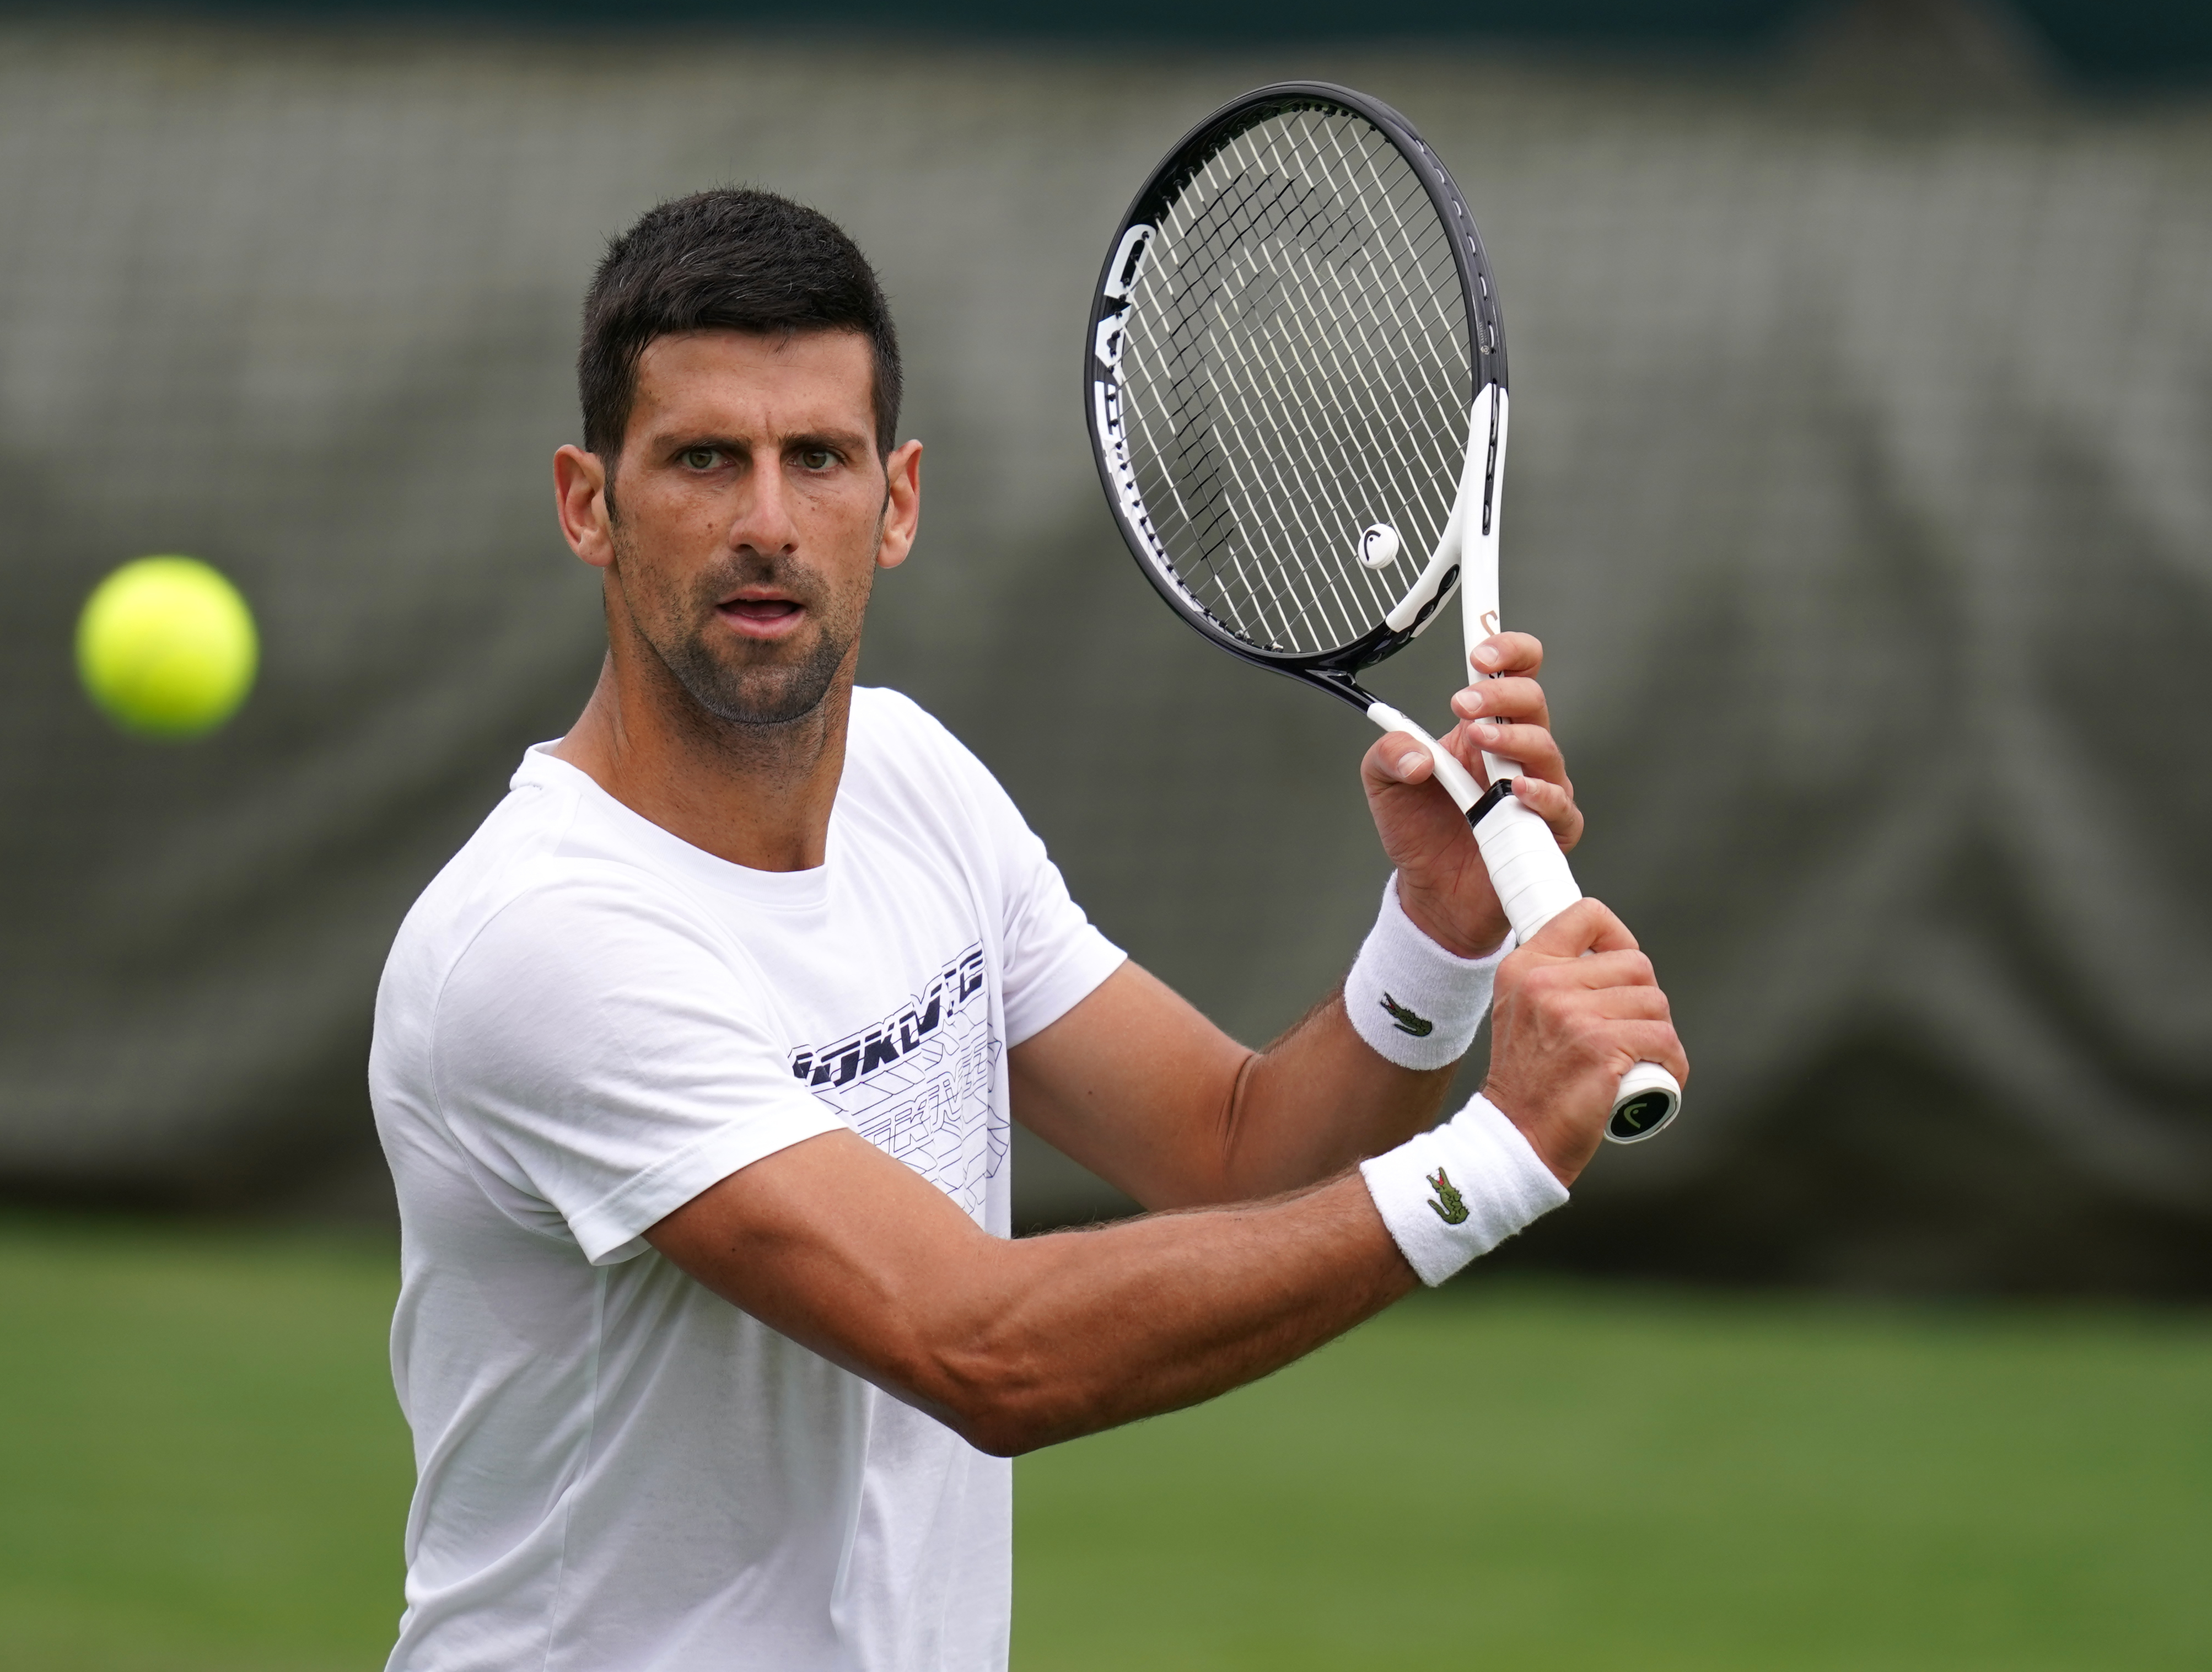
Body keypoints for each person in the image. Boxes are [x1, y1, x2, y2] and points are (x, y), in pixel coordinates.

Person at [368, 188, 1684, 1672]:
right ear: (586, 504)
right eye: (699, 461)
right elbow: (982, 1349)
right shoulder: (544, 941)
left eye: (818, 458)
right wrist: (1493, 1160)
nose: (765, 523)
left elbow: (1237, 1156)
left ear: (899, 498)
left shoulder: (916, 781)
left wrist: (1436, 937)